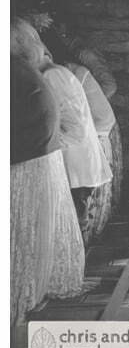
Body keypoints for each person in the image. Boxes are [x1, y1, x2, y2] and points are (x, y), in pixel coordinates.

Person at [11, 18, 86, 307]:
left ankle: (22, 297)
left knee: (25, 237)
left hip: (32, 160)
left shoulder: (22, 74)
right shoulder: (28, 72)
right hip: (42, 158)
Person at [42, 29, 117, 245]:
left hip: (91, 136)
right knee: (82, 203)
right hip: (90, 137)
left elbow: (75, 126)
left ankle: (79, 249)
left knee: (79, 205)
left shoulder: (63, 74)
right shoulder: (68, 71)